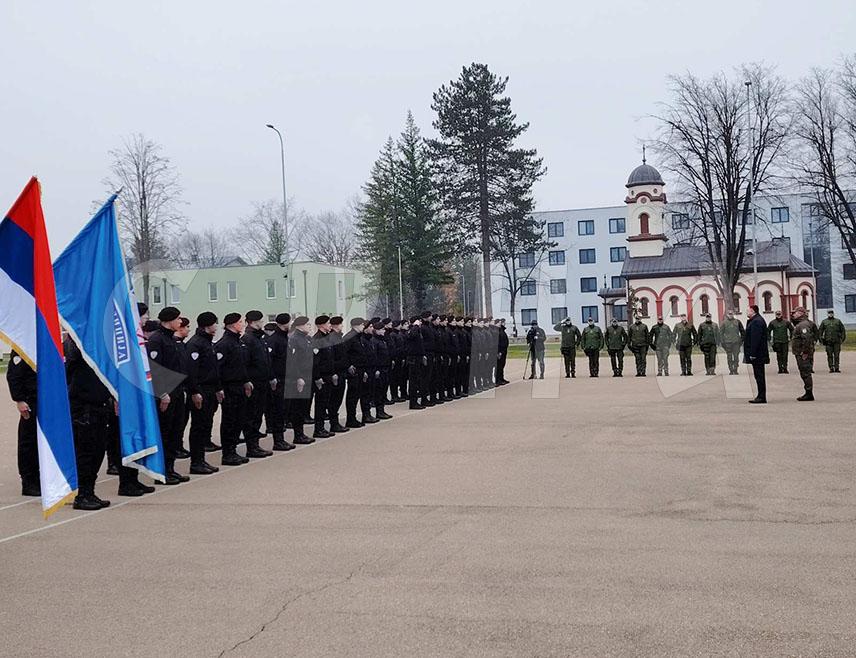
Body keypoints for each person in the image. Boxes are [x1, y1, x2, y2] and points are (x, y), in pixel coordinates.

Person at [64, 337, 112, 510]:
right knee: (85, 452)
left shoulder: (95, 344)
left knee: (98, 452)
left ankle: (89, 491)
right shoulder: (75, 344)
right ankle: (82, 494)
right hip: (83, 407)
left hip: (99, 405)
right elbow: (73, 355)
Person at [147, 306, 190, 484]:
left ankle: (170, 468)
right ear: (169, 320)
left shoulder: (171, 339)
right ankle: (162, 471)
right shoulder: (157, 340)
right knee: (165, 432)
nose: (180, 322)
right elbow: (155, 370)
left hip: (178, 392)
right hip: (166, 394)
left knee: (175, 431)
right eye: (178, 319)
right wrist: (162, 393)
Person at [184, 312, 224, 474]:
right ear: (207, 325)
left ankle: (201, 460)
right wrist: (194, 391)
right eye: (215, 323)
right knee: (198, 427)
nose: (216, 326)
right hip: (200, 390)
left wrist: (218, 388)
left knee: (206, 425)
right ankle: (196, 462)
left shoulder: (208, 343)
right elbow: (192, 371)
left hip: (210, 390)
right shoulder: (196, 344)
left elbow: (214, 369)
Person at [214, 313, 253, 466]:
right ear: (232, 324)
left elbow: (241, 366)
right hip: (229, 387)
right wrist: (220, 387)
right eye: (240, 322)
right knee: (229, 420)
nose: (243, 324)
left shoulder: (238, 342)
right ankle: (228, 453)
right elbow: (219, 368)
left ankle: (233, 450)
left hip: (239, 386)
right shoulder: (224, 344)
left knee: (239, 419)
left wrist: (245, 381)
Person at [241, 310, 274, 458]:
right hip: (254, 383)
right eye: (260, 321)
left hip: (262, 382)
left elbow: (265, 360)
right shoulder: (248, 339)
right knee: (252, 416)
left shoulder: (259, 338)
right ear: (254, 322)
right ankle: (251, 446)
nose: (262, 324)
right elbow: (245, 363)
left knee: (258, 414)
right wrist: (248, 381)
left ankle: (255, 445)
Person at [7, 351, 40, 496]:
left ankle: (38, 477)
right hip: (29, 400)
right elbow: (14, 375)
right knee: (29, 442)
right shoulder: (23, 345)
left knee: (41, 442)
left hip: (44, 399)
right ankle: (28, 482)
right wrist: (19, 399)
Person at [266, 313, 296, 451]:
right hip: (279, 380)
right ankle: (278, 440)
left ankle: (281, 439)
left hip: (287, 378)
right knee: (278, 411)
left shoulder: (285, 339)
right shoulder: (275, 340)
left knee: (284, 411)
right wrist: (273, 378)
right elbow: (269, 361)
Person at [285, 316, 316, 443]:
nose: (309, 326)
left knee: (303, 407)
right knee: (297, 407)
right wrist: (298, 377)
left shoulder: (307, 339)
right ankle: (298, 435)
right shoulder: (294, 339)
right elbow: (293, 361)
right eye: (307, 324)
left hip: (308, 376)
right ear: (299, 326)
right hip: (299, 378)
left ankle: (301, 433)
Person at [312, 315, 335, 438]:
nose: (330, 325)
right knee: (320, 404)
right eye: (327, 323)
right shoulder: (317, 339)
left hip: (328, 375)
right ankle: (318, 429)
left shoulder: (327, 338)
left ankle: (322, 428)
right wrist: (317, 377)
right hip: (321, 376)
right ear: (321, 325)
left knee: (325, 402)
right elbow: (315, 362)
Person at [327, 316, 351, 433]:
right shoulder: (332, 338)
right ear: (336, 325)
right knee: (334, 400)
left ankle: (335, 422)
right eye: (341, 324)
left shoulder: (339, 337)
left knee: (338, 399)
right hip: (336, 372)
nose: (342, 326)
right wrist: (335, 370)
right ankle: (333, 423)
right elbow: (331, 358)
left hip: (342, 371)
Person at [343, 317, 369, 427]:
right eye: (363, 324)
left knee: (357, 394)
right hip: (354, 370)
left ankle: (353, 418)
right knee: (352, 395)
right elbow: (343, 353)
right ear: (356, 325)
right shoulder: (350, 337)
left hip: (360, 369)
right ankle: (350, 419)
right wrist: (349, 365)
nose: (364, 326)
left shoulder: (358, 337)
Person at [173, 316, 192, 460]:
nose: (188, 329)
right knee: (176, 423)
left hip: (183, 387)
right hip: (176, 388)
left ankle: (178, 445)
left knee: (182, 420)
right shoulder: (175, 344)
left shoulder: (183, 345)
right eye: (186, 327)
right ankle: (176, 446)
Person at [791, 306, 819, 401]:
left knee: (805, 373)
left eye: (795, 313)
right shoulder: (803, 323)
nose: (793, 314)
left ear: (800, 313)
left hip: (803, 353)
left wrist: (805, 352)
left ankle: (809, 393)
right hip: (801, 352)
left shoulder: (803, 325)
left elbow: (806, 338)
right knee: (804, 372)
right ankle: (808, 392)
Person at [743, 305, 769, 404]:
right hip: (758, 353)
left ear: (753, 311)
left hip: (758, 354)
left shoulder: (756, 322)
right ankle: (760, 395)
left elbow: (755, 339)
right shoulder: (755, 320)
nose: (747, 312)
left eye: (748, 310)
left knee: (759, 375)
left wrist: (752, 353)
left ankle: (761, 396)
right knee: (758, 375)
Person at [372, 320, 394, 419]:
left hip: (386, 367)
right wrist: (376, 369)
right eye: (381, 330)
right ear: (376, 330)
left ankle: (382, 410)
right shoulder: (374, 341)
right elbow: (374, 357)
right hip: (379, 369)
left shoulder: (383, 340)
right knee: (379, 391)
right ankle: (379, 411)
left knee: (384, 390)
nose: (383, 331)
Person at [406, 316, 425, 409]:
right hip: (413, 358)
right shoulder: (412, 330)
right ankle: (413, 403)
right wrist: (415, 326)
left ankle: (415, 401)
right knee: (413, 382)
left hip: (418, 358)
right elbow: (412, 335)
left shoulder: (417, 331)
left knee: (417, 381)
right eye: (419, 322)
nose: (420, 323)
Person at [496, 318, 509, 385]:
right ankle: (498, 380)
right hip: (500, 352)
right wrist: (499, 352)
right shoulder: (498, 331)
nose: (504, 324)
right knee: (499, 366)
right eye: (502, 322)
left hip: (503, 351)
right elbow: (498, 343)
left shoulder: (502, 331)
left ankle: (501, 378)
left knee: (502, 366)